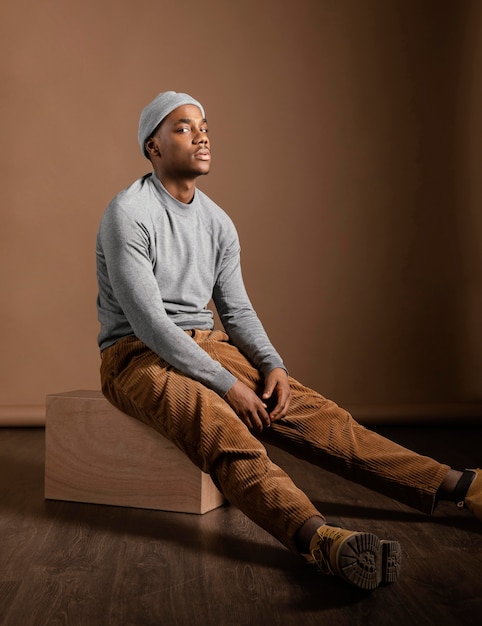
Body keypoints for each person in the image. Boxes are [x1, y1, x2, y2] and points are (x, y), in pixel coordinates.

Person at [96, 90, 481, 591]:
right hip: (135, 358)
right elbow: (149, 324)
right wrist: (226, 386)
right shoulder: (128, 212)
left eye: (204, 124)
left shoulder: (217, 223)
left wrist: (271, 365)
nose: (202, 133)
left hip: (207, 346)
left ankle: (461, 486)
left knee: (315, 414)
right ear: (153, 146)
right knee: (219, 425)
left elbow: (235, 310)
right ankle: (321, 541)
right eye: (184, 127)